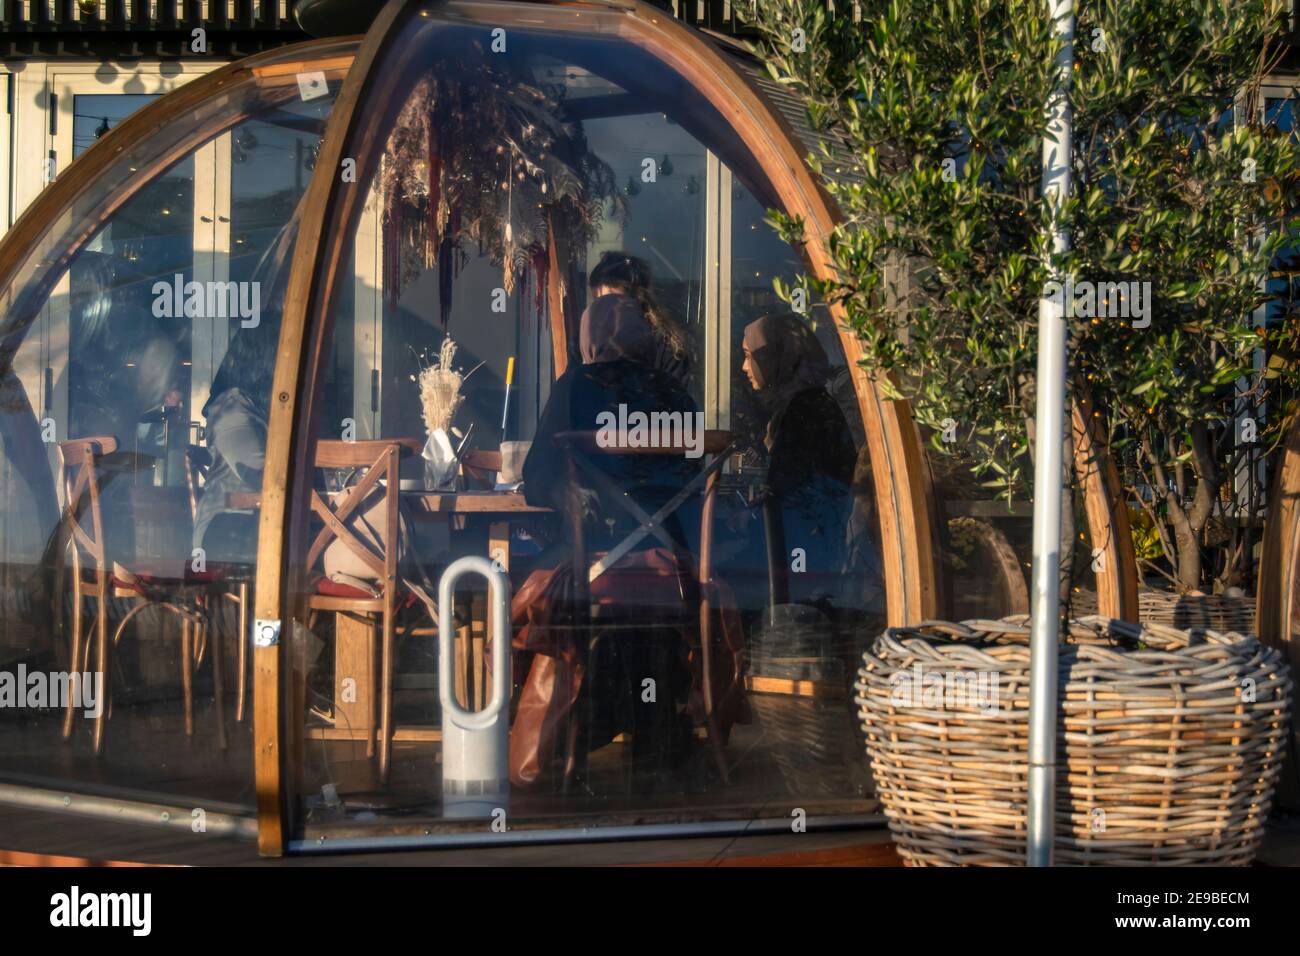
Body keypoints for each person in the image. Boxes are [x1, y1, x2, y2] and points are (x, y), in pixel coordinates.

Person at [509, 254, 736, 790]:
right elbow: (686, 481)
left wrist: (572, 493)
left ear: (589, 335)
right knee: (645, 614)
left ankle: (573, 733)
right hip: (675, 569)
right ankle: (658, 732)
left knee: (533, 584)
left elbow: (537, 478)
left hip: (599, 565)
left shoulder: (573, 389)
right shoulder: (673, 395)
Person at [741, 313, 856, 609]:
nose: (744, 367)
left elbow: (790, 492)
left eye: (748, 356)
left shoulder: (803, 410)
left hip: (805, 561)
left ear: (776, 356)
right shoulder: (805, 404)